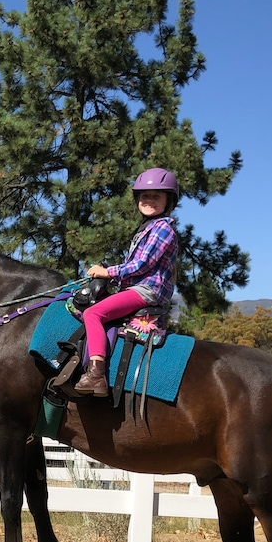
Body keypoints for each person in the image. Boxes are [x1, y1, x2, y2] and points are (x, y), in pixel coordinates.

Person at [73, 167, 181, 397]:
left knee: (92, 314)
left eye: (156, 196)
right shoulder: (146, 229)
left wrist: (107, 272)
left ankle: (96, 374)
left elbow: (143, 263)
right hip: (137, 288)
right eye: (144, 196)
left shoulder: (162, 228)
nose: (148, 200)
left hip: (147, 290)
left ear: (168, 201)